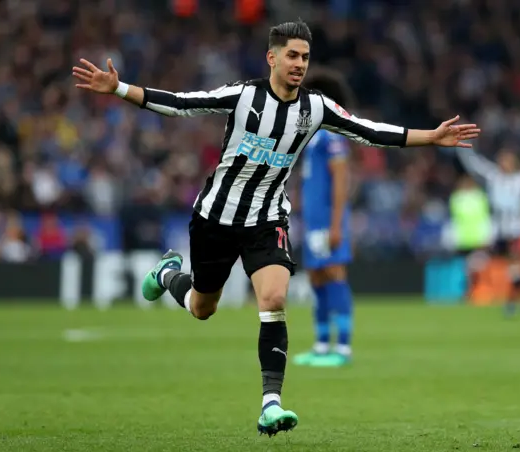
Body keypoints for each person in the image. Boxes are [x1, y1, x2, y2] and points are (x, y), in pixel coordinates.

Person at [72, 19, 481, 437]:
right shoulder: (243, 95)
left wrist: (431, 136)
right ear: (272, 57)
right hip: (216, 217)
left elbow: (370, 132)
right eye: (292, 55)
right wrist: (120, 89)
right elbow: (180, 103)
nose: (300, 64)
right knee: (202, 307)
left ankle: (271, 404)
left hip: (267, 219)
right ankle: (167, 273)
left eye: (305, 57)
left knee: (274, 296)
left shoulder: (316, 108)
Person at [293, 69, 355, 368]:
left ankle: (342, 348)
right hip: (313, 222)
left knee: (334, 274)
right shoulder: (313, 136)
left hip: (330, 220)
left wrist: (336, 224)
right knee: (316, 276)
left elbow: (341, 179)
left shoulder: (332, 136)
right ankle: (321, 345)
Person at [455, 147, 520, 316]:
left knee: (515, 264)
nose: (503, 164)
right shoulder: (495, 177)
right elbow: (476, 166)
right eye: (501, 160)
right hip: (498, 231)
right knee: (511, 266)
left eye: (507, 160)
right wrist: (462, 148)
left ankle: (512, 300)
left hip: (519, 230)